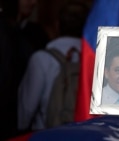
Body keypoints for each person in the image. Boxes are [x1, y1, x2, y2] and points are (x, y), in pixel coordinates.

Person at [18, 1, 90, 131]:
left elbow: (26, 108)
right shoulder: (93, 58)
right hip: (83, 133)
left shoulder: (42, 59)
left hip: (46, 133)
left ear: (57, 25)